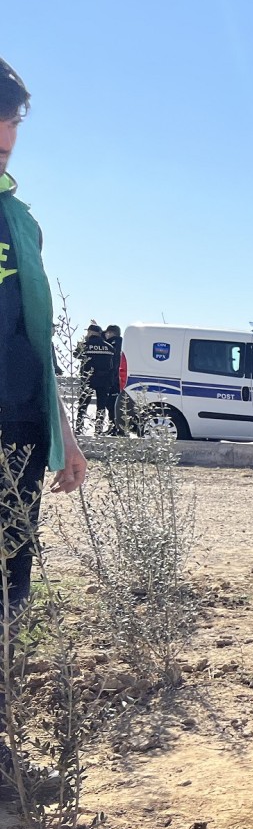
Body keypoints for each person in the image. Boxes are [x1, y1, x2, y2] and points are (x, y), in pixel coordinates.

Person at [0, 55, 87, 623]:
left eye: (4, 150)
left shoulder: (21, 223)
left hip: (20, 424)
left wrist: (66, 434)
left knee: (11, 579)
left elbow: (36, 341)